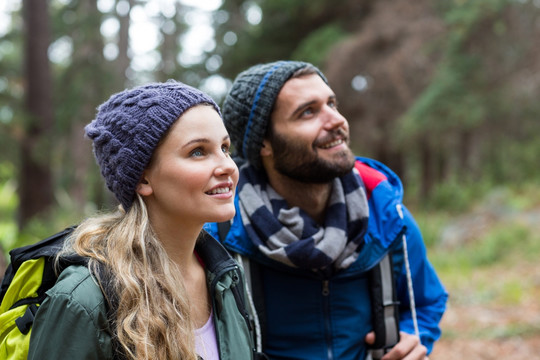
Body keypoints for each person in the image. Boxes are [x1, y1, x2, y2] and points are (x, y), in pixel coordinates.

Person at [204, 61, 448, 360]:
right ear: (263, 143)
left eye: (332, 103)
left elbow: (425, 301)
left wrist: (414, 335)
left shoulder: (385, 215)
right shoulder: (221, 234)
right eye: (308, 111)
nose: (336, 121)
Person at [28, 81, 257, 360]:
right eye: (198, 151)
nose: (227, 166)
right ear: (142, 178)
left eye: (224, 147)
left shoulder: (225, 275)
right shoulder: (83, 299)